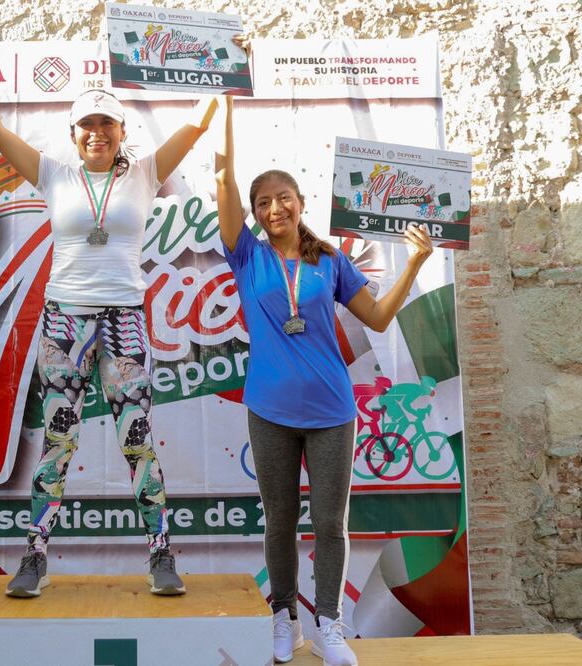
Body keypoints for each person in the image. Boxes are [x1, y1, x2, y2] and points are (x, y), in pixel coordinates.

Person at [0, 28, 217, 598]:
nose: (97, 133)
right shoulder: (55, 174)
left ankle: (160, 556)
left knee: (139, 438)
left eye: (107, 123)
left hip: (124, 317)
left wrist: (226, 66)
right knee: (59, 440)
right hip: (65, 320)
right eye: (87, 125)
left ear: (122, 132)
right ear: (74, 136)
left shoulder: (146, 173)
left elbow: (198, 124)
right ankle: (34, 558)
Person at [214, 92, 434, 666]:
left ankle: (330, 624)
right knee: (280, 521)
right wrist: (226, 102)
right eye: (262, 203)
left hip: (333, 413)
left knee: (331, 523)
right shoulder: (247, 256)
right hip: (269, 410)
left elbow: (380, 318)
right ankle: (283, 617)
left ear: (300, 201)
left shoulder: (329, 261)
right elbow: (223, 176)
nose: (272, 209)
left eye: (281, 198)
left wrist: (413, 263)